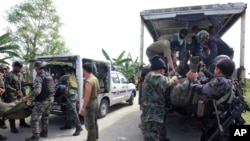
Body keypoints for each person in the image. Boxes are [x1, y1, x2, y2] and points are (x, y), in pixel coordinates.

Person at [186, 58, 235, 141]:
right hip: (221, 119)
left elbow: (201, 91)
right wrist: (204, 71)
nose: (214, 70)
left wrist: (193, 79)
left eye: (216, 68)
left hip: (215, 122)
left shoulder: (221, 82)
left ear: (218, 70)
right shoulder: (228, 81)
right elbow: (210, 82)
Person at [140, 55, 178, 141]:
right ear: (160, 69)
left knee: (161, 137)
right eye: (163, 71)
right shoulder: (151, 76)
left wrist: (169, 76)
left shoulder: (152, 77)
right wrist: (173, 79)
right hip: (151, 119)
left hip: (156, 117)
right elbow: (164, 81)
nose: (163, 73)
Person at [22, 61, 55, 141]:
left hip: (43, 101)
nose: (35, 70)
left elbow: (37, 91)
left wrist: (27, 97)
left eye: (36, 69)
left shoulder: (39, 77)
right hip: (50, 99)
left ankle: (36, 137)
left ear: (38, 68)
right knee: (45, 117)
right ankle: (44, 132)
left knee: (34, 118)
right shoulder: (48, 75)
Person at [4, 61, 30, 133]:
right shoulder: (9, 75)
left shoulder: (21, 75)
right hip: (11, 96)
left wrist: (25, 89)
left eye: (21, 68)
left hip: (20, 95)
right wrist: (13, 90)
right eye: (19, 68)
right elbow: (6, 85)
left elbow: (23, 83)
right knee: (12, 111)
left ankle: (22, 122)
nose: (20, 69)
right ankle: (13, 127)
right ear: (14, 67)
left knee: (22, 109)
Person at [58, 65, 82, 136]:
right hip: (74, 95)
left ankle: (78, 127)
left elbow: (59, 83)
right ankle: (68, 125)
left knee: (73, 112)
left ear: (65, 70)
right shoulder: (73, 76)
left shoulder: (64, 77)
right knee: (68, 111)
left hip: (70, 96)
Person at [80, 62, 100, 141]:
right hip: (95, 101)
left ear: (85, 70)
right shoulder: (95, 78)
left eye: (82, 69)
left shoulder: (88, 81)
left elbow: (87, 97)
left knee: (90, 125)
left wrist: (83, 108)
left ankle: (92, 139)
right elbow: (98, 90)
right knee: (94, 122)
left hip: (90, 103)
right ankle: (92, 138)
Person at [0, 64, 8, 129]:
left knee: (4, 110)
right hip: (1, 94)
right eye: (3, 69)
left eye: (5, 69)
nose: (5, 70)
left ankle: (3, 122)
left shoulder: (4, 75)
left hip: (4, 95)